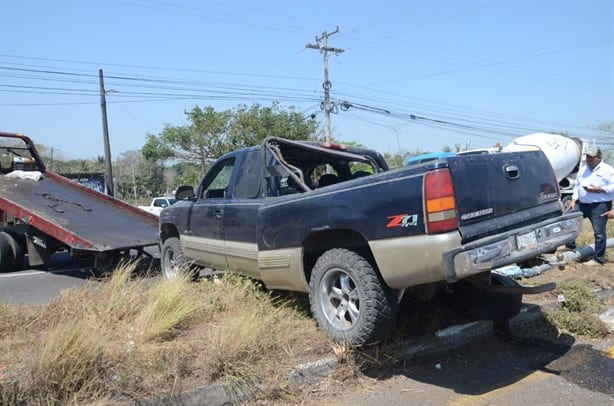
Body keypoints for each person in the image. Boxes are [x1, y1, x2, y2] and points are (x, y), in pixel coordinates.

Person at [566, 147, 614, 265]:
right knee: (569, 221)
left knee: (599, 233)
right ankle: (570, 247)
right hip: (582, 204)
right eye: (588, 157)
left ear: (599, 158)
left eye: (592, 157)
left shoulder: (608, 170)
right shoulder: (583, 170)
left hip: (600, 205)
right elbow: (577, 185)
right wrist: (573, 199)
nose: (589, 159)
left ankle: (598, 259)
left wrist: (599, 189)